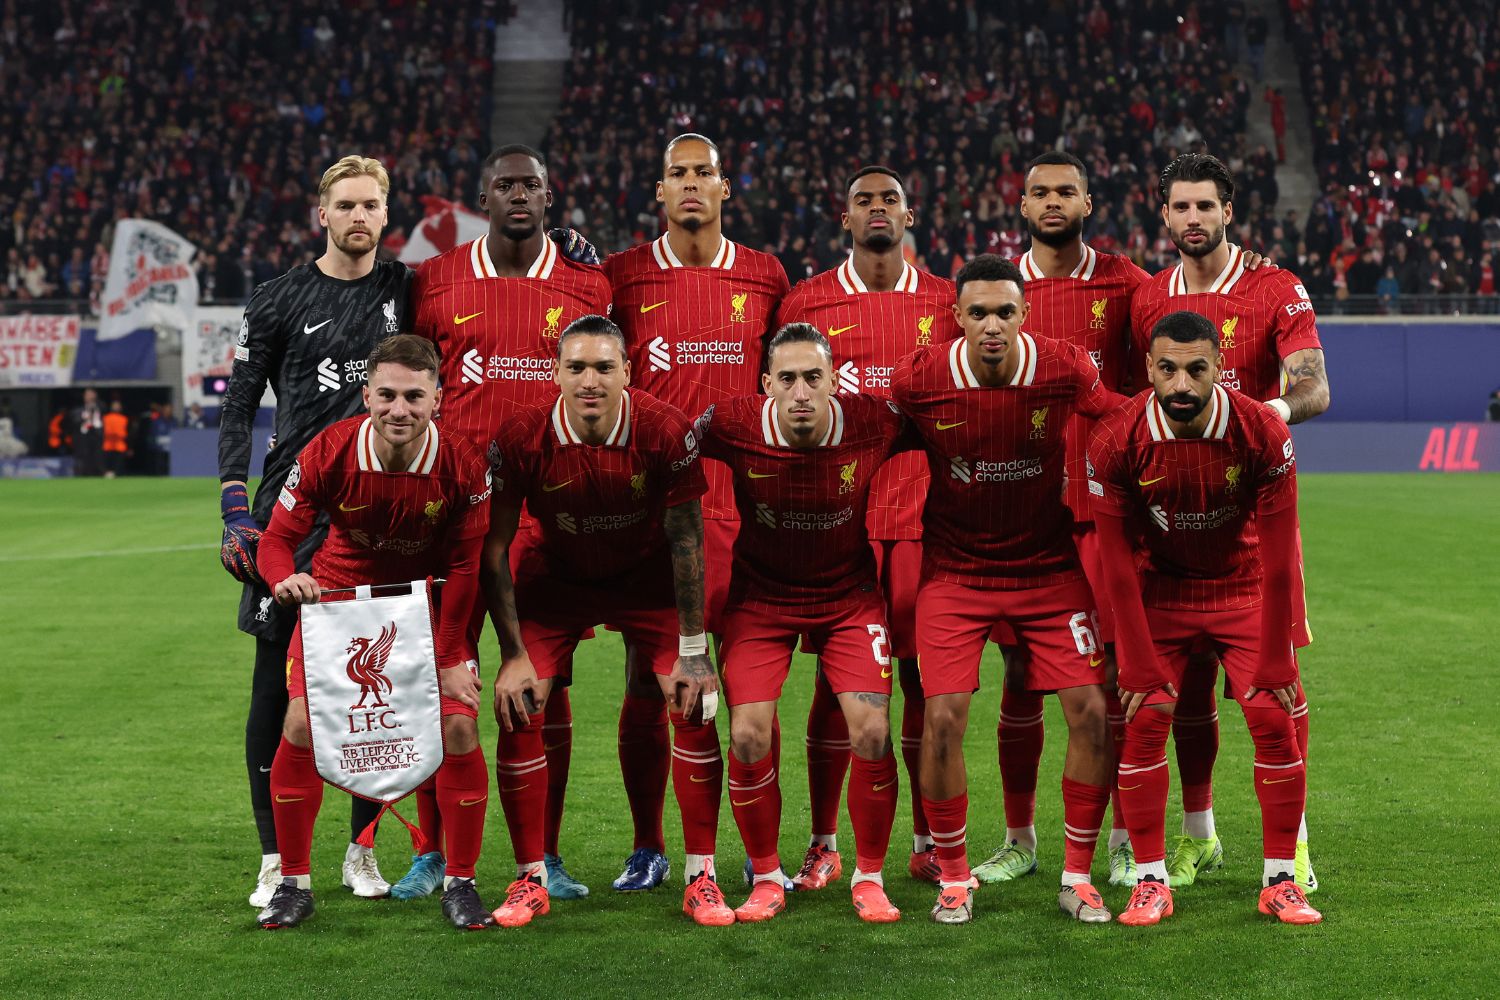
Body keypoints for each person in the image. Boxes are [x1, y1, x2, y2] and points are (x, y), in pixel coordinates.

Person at [890, 254, 1125, 924]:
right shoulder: (923, 377)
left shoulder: (1063, 367)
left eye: (1005, 312)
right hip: (955, 574)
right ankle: (955, 880)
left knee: (1090, 711)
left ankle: (1077, 876)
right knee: (941, 718)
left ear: (1025, 315)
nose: (992, 325)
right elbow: (870, 430)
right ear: (956, 317)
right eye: (978, 313)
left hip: (1047, 569)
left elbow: (1115, 416)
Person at [405, 143, 611, 901]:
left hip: (545, 522)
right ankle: (433, 851)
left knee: (546, 689)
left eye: (532, 184)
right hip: (451, 519)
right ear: (483, 196)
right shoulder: (434, 280)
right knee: (439, 683)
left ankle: (544, 855)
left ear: (550, 196)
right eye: (504, 185)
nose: (518, 194)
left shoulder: (589, 282)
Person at [480, 315, 728, 927]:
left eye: (603, 367)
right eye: (576, 367)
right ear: (556, 372)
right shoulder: (520, 434)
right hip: (556, 579)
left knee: (692, 700)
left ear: (627, 372)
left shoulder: (664, 429)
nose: (590, 380)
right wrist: (512, 655)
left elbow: (687, 539)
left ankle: (702, 876)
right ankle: (529, 877)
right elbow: (494, 547)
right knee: (519, 702)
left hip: (645, 582)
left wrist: (694, 650)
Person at [1131, 152, 1329, 893]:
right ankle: (1199, 835)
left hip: (1254, 521)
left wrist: (1269, 413)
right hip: (1172, 524)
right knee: (1183, 694)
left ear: (1228, 210)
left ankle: (1296, 847)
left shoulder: (1276, 288)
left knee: (1275, 690)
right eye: (1179, 207)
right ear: (1165, 214)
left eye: (1204, 207)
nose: (1192, 220)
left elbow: (1313, 383)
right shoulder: (1150, 299)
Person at [218, 155, 412, 908]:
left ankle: (360, 851)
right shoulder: (278, 299)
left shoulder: (406, 290)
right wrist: (236, 507)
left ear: (385, 216)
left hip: (380, 515)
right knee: (274, 686)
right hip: (291, 519)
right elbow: (237, 405)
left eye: (371, 205)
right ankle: (274, 858)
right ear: (321, 214)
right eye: (346, 205)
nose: (359, 217)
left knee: (375, 691)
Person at [253, 334, 496, 931]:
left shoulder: (463, 462)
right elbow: (277, 541)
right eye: (386, 394)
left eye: (415, 396)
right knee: (301, 725)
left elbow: (467, 568)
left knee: (460, 727)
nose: (399, 409)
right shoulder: (328, 450)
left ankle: (460, 883)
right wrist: (286, 579)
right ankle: (293, 883)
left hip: (423, 609)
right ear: (366, 395)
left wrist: (446, 655)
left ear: (438, 397)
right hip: (338, 605)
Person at [600, 133, 789, 892]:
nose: (689, 185)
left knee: (746, 681)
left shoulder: (766, 275)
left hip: (744, 506)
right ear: (659, 191)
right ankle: (649, 846)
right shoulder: (622, 276)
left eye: (701, 173)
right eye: (675, 173)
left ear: (724, 188)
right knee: (649, 679)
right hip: (654, 510)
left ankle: (754, 847)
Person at [1090, 309, 1321, 926]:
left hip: (1243, 589)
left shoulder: (1262, 432)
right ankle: (1150, 881)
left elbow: (1277, 559)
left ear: (1221, 368)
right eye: (1167, 369)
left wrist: (1274, 655)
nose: (1182, 384)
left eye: (1197, 369)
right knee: (1143, 719)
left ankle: (1280, 879)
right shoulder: (1116, 438)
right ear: (1149, 369)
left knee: (1273, 713)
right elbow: (1115, 567)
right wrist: (1136, 662)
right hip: (1161, 591)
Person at [773, 165, 960, 888]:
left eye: (890, 198)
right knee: (832, 684)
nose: (877, 209)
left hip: (922, 522)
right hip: (837, 525)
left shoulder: (946, 302)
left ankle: (924, 836)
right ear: (843, 218)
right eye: (863, 200)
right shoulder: (808, 300)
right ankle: (824, 843)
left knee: (918, 683)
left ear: (910, 215)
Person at [975, 151, 1151, 891]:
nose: (1053, 202)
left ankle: (1117, 838)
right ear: (1021, 205)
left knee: (1107, 682)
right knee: (1019, 677)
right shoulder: (996, 291)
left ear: (1088, 201)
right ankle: (1020, 839)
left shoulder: (1128, 284)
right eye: (1039, 192)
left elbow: (1156, 377)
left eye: (1066, 192)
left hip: (1103, 511)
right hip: (1022, 511)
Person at [696, 323, 906, 923]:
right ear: (766, 386)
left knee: (870, 730)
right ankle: (765, 877)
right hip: (760, 599)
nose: (801, 393)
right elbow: (668, 447)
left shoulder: (874, 422)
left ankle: (868, 876)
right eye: (786, 379)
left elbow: (948, 433)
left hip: (848, 598)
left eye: (814, 378)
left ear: (834, 381)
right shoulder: (731, 424)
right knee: (748, 735)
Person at [70, 387, 103, 476]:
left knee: (97, 458)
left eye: (91, 394)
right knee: (83, 460)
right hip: (83, 439)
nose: (89, 397)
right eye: (87, 395)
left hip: (97, 438)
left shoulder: (100, 408)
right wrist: (84, 418)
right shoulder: (78, 410)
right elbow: (74, 422)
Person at [102, 400, 130, 478]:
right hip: (108, 446)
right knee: (108, 469)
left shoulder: (124, 419)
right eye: (115, 405)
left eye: (118, 406)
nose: (116, 407)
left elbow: (128, 434)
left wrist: (129, 447)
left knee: (118, 469)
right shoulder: (105, 418)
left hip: (120, 447)